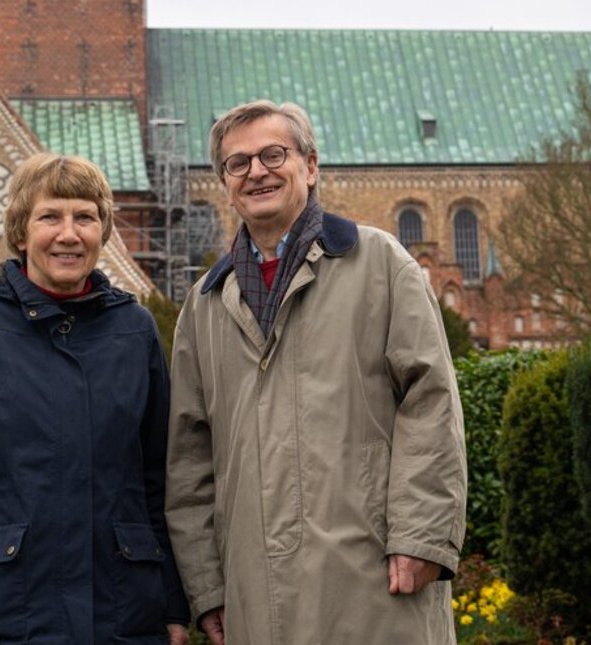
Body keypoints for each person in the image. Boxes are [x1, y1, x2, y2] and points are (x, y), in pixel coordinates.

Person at [166, 101, 467, 645]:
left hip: (375, 578)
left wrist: (422, 536)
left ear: (310, 166)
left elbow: (431, 402)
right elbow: (190, 463)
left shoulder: (379, 264)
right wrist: (208, 588)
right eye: (237, 164)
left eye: (272, 154)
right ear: (225, 185)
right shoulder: (204, 306)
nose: (256, 171)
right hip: (255, 594)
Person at [0, 152, 190, 645]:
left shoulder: (134, 331)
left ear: (103, 232)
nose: (69, 234)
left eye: (85, 218)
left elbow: (161, 479)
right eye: (50, 216)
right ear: (22, 232)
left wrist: (175, 604)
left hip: (123, 617)